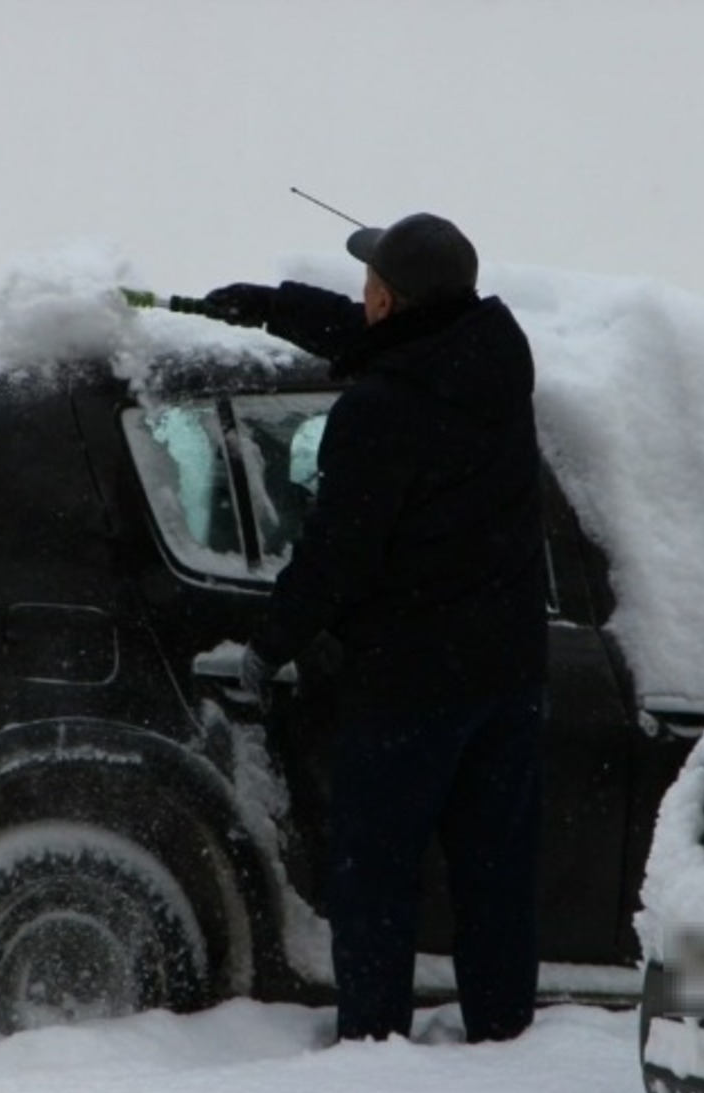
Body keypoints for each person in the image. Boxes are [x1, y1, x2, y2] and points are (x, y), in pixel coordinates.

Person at [204, 213, 546, 1043]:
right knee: (496, 877)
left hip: (409, 686)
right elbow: (391, 340)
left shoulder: (379, 414)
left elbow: (336, 556)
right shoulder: (496, 360)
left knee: (377, 878)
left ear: (389, 300)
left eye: (370, 291)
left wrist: (269, 645)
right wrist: (271, 305)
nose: (362, 304)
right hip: (508, 675)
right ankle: (504, 1041)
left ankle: (373, 1047)